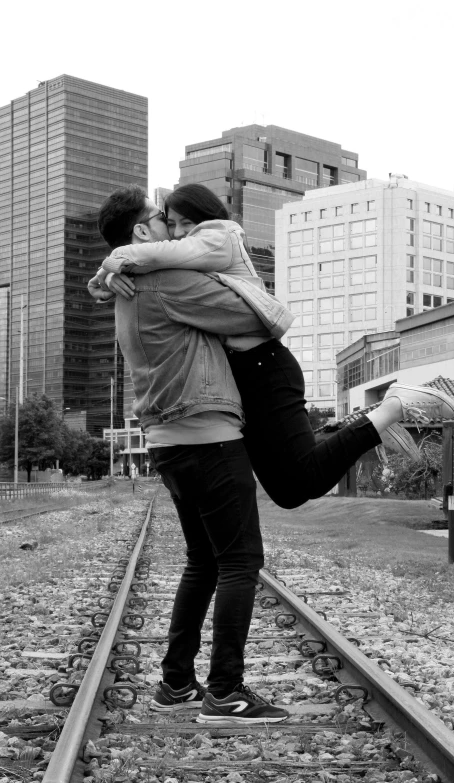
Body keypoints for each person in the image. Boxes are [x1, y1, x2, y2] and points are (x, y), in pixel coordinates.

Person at [91, 183, 454, 509]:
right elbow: (159, 262)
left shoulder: (217, 237)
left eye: (185, 223)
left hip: (263, 366)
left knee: (303, 482)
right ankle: (371, 425)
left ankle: (393, 406)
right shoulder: (176, 263)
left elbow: (161, 258)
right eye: (170, 223)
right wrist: (111, 274)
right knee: (286, 491)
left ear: (206, 219)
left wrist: (114, 264)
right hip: (243, 378)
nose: (176, 233)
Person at [96, 185, 290, 724]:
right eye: (162, 220)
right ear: (141, 233)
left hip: (172, 443)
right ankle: (226, 692)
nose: (174, 230)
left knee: (204, 561)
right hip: (206, 437)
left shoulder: (129, 286)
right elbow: (258, 316)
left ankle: (176, 682)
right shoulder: (164, 280)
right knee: (240, 561)